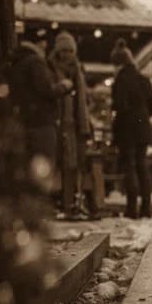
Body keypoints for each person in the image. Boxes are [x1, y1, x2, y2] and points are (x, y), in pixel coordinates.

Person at [8, 34, 71, 182]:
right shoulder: (36, 62)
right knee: (44, 169)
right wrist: (64, 86)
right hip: (42, 124)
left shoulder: (16, 63)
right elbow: (47, 89)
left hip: (23, 123)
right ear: (39, 44)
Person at [110, 39, 152, 218]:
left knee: (129, 166)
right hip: (143, 128)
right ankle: (146, 207)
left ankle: (132, 208)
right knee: (142, 166)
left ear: (118, 63)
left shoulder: (120, 81)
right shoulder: (144, 80)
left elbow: (119, 106)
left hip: (126, 129)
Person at [48, 31, 93, 217]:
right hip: (57, 122)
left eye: (70, 50)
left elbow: (83, 100)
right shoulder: (50, 68)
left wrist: (85, 124)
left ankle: (70, 204)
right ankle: (58, 203)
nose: (67, 54)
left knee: (73, 165)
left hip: (74, 124)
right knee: (57, 165)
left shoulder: (77, 70)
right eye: (63, 50)